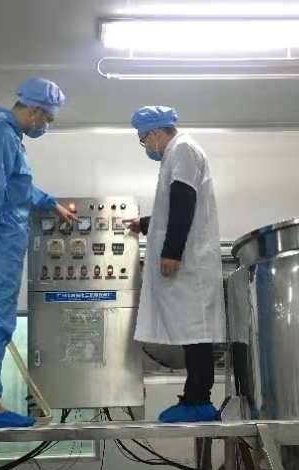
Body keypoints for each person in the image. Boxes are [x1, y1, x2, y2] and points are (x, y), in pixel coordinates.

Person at [0, 77, 76, 428]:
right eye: (47, 119)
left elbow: (17, 187)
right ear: (36, 111)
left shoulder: (7, 137)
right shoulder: (1, 135)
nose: (45, 126)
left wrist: (51, 203)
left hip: (1, 239)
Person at [127, 106, 226, 423]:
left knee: (195, 331)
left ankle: (199, 400)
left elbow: (184, 200)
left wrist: (172, 252)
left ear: (156, 132)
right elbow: (173, 209)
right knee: (190, 329)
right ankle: (195, 397)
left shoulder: (182, 149)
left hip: (190, 263)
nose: (146, 146)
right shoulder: (178, 152)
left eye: (144, 139)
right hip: (189, 261)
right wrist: (144, 224)